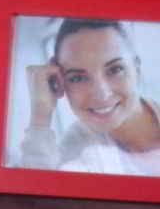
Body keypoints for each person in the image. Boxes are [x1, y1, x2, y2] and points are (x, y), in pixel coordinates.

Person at [18, 18, 160, 174]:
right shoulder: (76, 148)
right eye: (77, 78)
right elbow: (34, 189)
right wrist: (40, 115)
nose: (102, 94)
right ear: (59, 83)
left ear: (137, 69)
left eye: (115, 70)